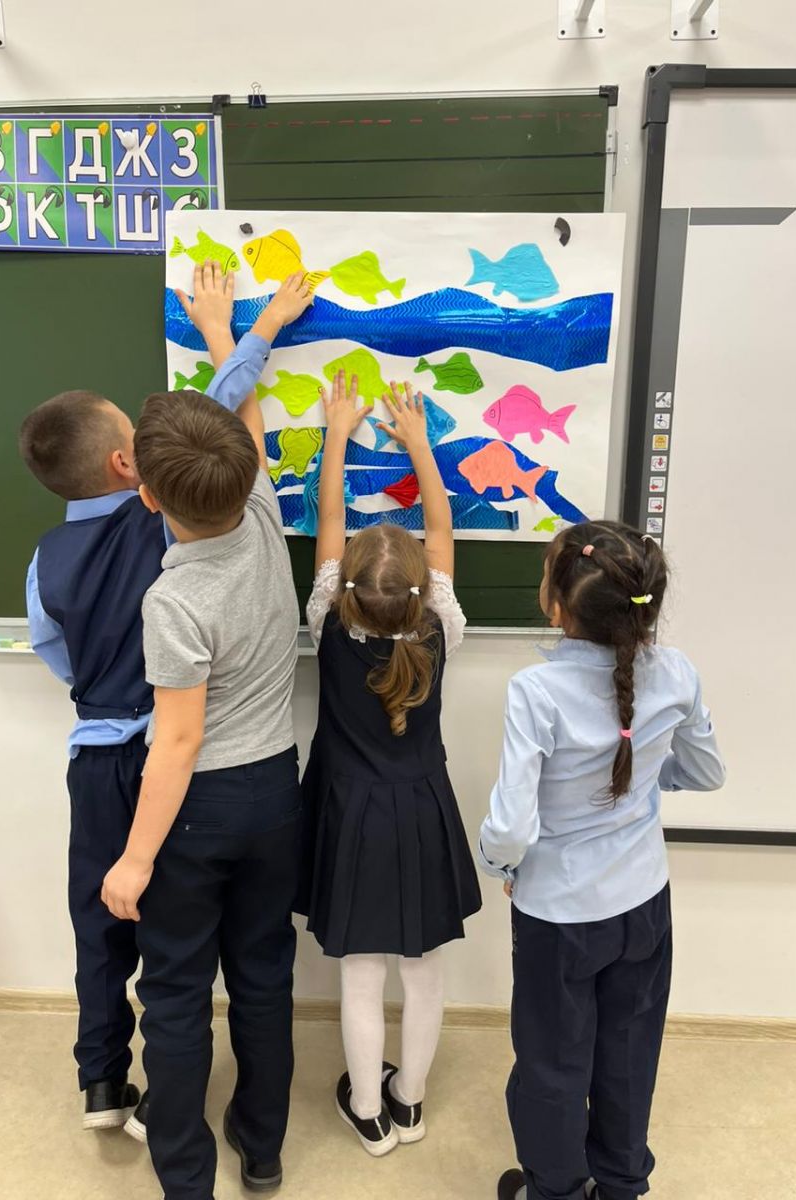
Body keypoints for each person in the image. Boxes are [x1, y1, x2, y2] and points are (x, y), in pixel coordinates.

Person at [18, 260, 304, 1135]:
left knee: (99, 916)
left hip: (95, 756)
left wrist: (101, 699)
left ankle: (103, 1082)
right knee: (176, 942)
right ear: (131, 469)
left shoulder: (44, 562)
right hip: (165, 762)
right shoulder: (168, 515)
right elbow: (223, 421)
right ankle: (188, 1108)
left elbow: (53, 651)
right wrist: (247, 331)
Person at [99, 317, 308, 1199]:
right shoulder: (263, 513)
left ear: (148, 498)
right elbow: (246, 427)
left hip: (197, 811)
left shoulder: (173, 599)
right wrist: (238, 335)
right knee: (263, 977)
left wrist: (135, 858)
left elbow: (178, 742)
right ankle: (262, 1147)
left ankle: (185, 1175)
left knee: (177, 992)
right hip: (275, 795)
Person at [479, 521, 726, 1200]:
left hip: (558, 915)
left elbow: (511, 825)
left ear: (558, 607)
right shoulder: (676, 672)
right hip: (645, 904)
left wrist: (502, 866)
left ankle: (556, 1189)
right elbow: (706, 773)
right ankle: (620, 1185)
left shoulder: (536, 690)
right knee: (629, 1052)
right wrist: (644, 780)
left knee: (552, 1062)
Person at [298, 374, 482, 1157]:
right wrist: (420, 445)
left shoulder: (326, 618)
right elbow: (439, 528)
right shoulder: (440, 621)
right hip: (423, 809)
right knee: (425, 970)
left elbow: (330, 522)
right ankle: (409, 1102)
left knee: (362, 974)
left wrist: (336, 434)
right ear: (421, 587)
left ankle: (368, 1112)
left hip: (349, 812)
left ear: (344, 587)